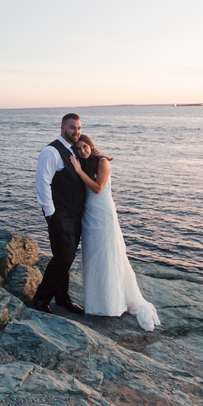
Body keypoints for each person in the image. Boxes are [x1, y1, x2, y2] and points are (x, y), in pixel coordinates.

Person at [69, 134, 160, 331]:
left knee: (108, 256)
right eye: (78, 149)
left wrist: (77, 170)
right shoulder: (85, 164)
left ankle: (111, 303)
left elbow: (97, 188)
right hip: (89, 216)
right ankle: (95, 302)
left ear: (91, 146)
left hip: (103, 215)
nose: (82, 151)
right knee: (93, 257)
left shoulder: (102, 163)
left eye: (85, 147)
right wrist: (78, 167)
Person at [33, 113, 86, 314]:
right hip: (59, 215)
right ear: (63, 127)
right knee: (63, 257)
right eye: (73, 127)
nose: (76, 131)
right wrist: (50, 213)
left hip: (75, 215)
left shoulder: (74, 150)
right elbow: (42, 182)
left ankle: (62, 298)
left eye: (79, 128)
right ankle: (40, 299)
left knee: (67, 257)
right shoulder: (51, 151)